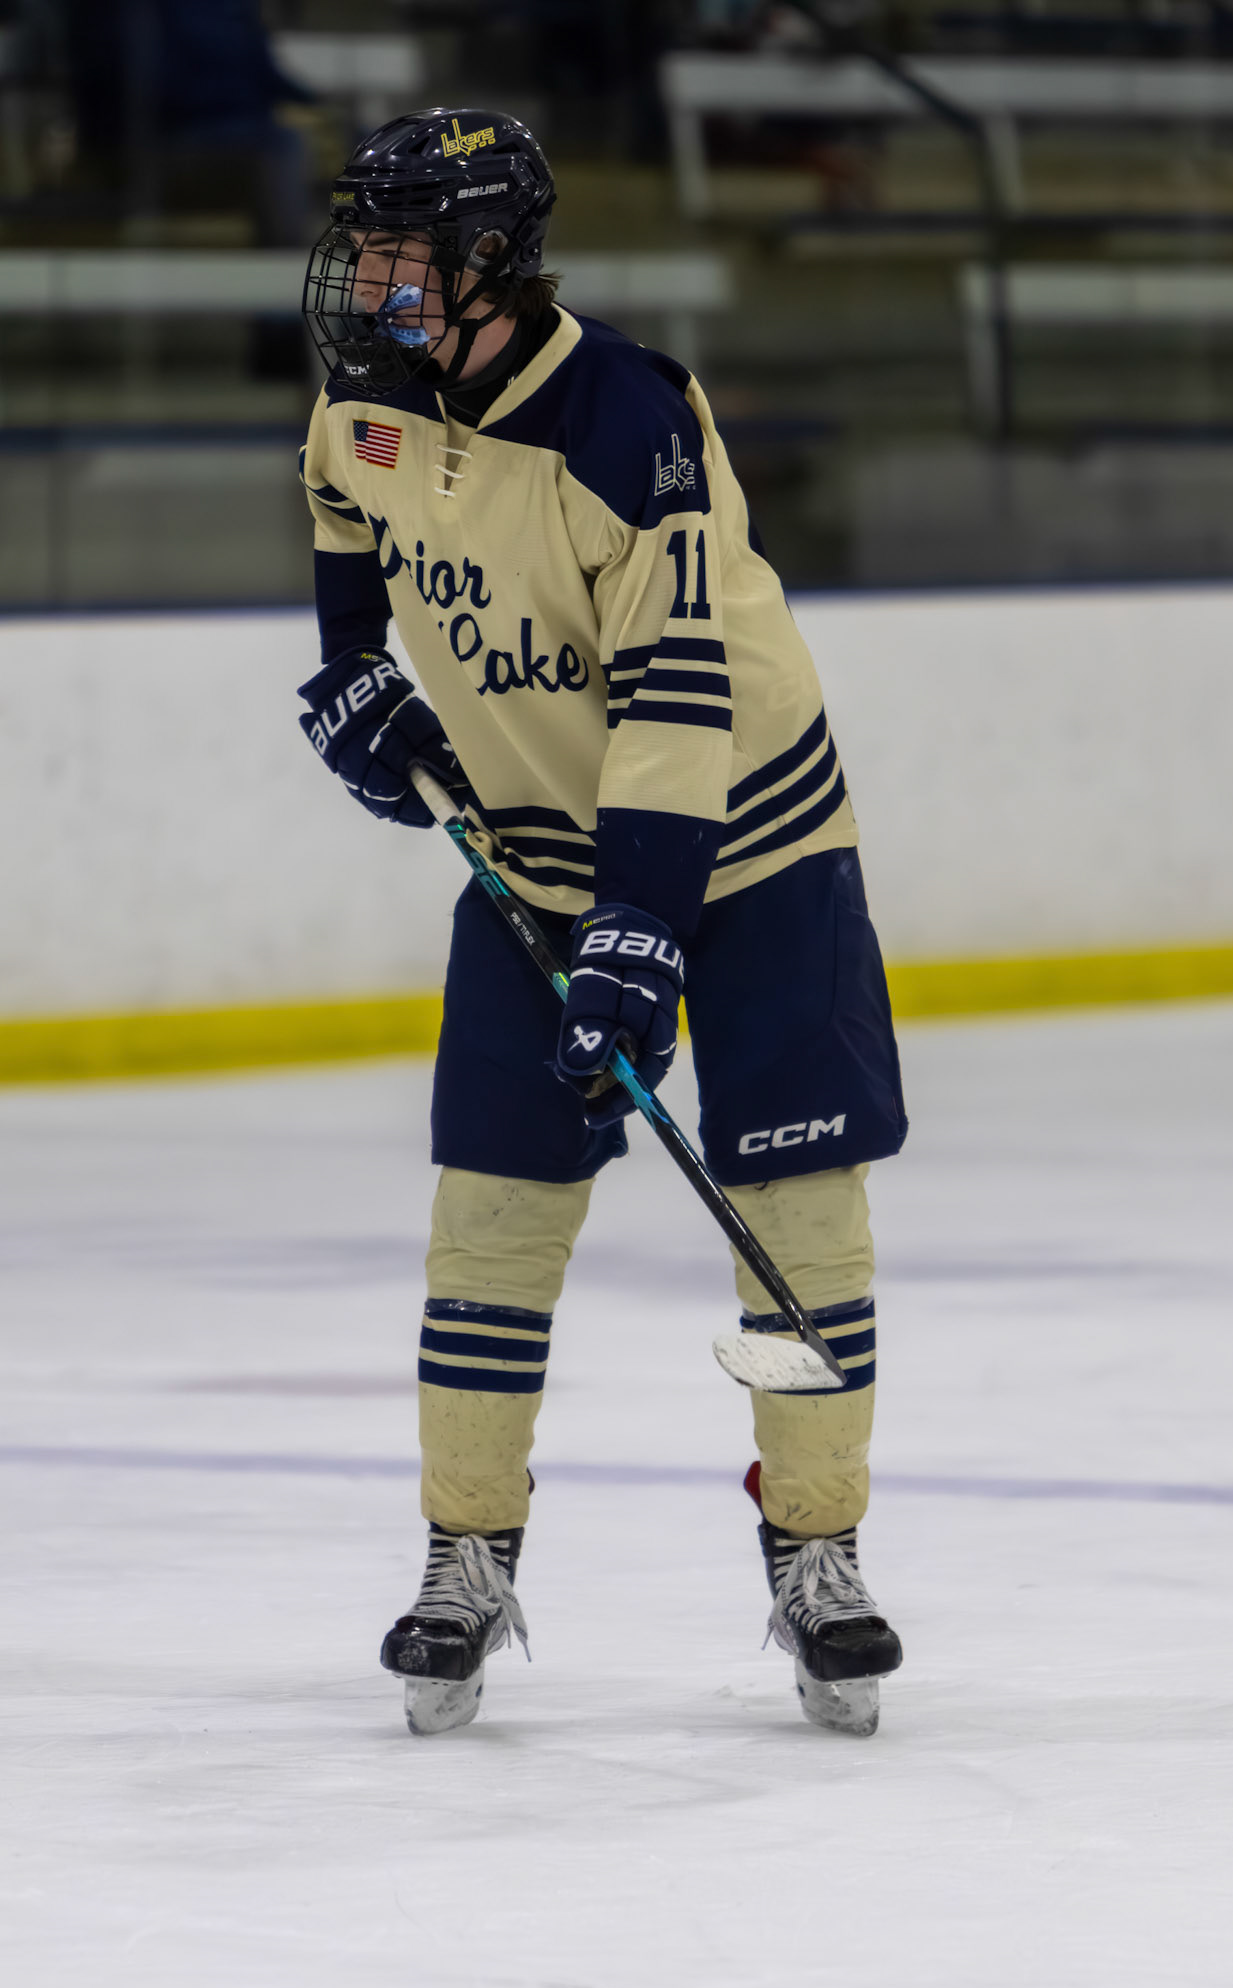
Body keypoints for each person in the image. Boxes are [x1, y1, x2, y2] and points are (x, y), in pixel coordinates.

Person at [298, 108, 908, 1738]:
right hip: (534, 858)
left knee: (798, 1216)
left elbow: (677, 694)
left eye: (403, 245)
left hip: (757, 844)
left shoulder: (627, 420)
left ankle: (817, 1554)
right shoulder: (359, 406)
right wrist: (356, 684)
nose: (368, 273)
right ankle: (466, 1555)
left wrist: (640, 924)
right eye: (364, 240)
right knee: (491, 1218)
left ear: (491, 254)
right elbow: (350, 537)